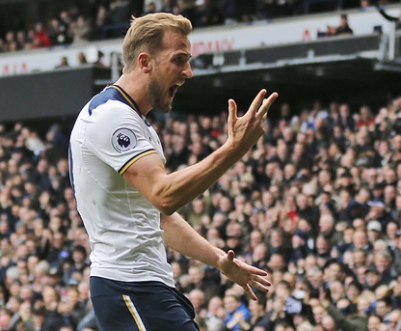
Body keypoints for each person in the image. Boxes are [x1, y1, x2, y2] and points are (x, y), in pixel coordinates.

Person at [69, 12, 278, 330]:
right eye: (179, 60)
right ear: (145, 62)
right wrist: (233, 149)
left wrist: (219, 259)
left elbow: (160, 218)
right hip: (128, 286)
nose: (188, 72)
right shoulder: (111, 116)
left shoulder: (138, 124)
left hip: (144, 287)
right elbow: (164, 196)